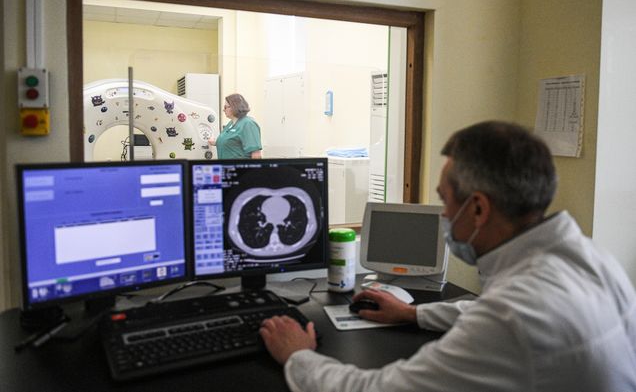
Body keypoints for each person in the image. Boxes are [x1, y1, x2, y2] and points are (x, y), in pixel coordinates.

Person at [259, 121, 636, 392]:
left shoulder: (515, 316)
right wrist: (414, 313)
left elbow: (376, 388)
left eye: (445, 200)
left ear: (477, 210)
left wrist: (298, 357)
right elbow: (496, 313)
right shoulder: (590, 260)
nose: (442, 215)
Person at [209, 93, 262, 159]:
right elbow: (232, 143)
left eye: (225, 107)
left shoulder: (248, 124)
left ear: (235, 107)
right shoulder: (230, 123)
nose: (223, 110)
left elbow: (256, 155)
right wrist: (216, 142)